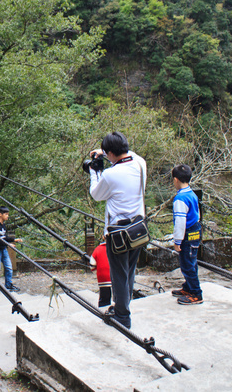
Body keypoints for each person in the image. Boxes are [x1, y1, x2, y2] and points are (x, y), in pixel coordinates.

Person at [88, 131, 146, 329]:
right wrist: (104, 153)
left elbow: (96, 194)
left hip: (118, 233)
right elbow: (132, 154)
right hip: (138, 227)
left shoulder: (111, 174)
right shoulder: (140, 163)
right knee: (129, 271)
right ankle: (123, 305)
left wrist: (94, 171)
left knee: (119, 275)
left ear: (111, 153)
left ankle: (122, 316)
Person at [171, 164, 203, 305]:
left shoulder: (180, 199)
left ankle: (196, 293)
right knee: (191, 260)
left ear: (176, 180)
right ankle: (188, 287)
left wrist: (177, 241)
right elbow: (198, 214)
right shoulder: (192, 194)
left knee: (187, 264)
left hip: (187, 233)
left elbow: (180, 221)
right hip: (195, 230)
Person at [90, 241, 112, 308]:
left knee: (104, 298)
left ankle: (103, 311)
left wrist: (97, 271)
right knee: (118, 298)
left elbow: (92, 265)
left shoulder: (97, 249)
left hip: (103, 277)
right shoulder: (116, 247)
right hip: (116, 276)